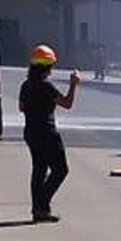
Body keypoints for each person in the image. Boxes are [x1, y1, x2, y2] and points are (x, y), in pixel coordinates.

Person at [19, 44, 79, 223]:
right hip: (47, 132)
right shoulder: (47, 87)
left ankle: (39, 209)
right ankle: (41, 205)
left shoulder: (26, 85)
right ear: (48, 67)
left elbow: (21, 107)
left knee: (39, 170)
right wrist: (73, 85)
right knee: (61, 169)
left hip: (30, 132)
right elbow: (67, 103)